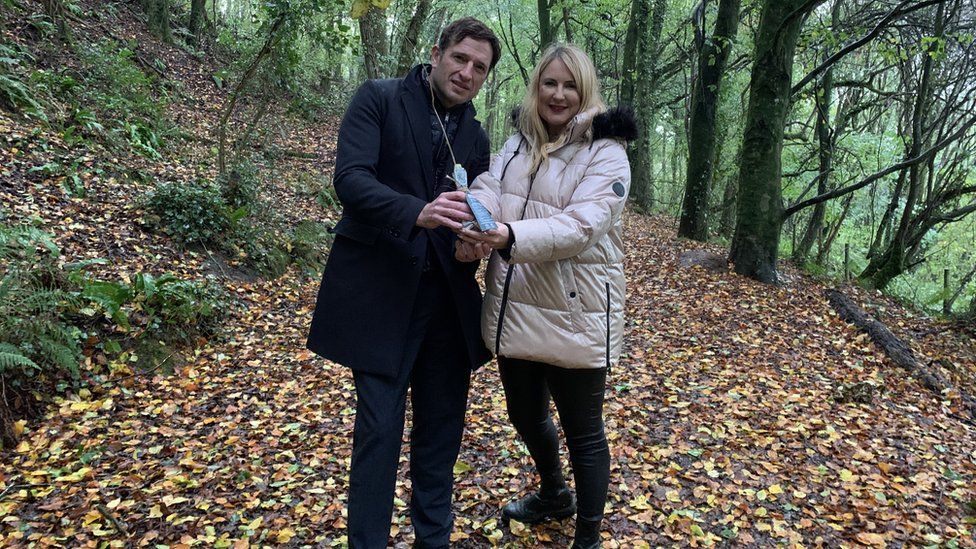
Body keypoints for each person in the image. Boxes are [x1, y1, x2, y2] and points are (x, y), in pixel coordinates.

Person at [305, 18, 501, 549]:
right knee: (379, 434)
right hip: (381, 298)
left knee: (440, 440)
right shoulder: (379, 99)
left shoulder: (477, 138)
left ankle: (431, 541)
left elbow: (474, 213)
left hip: (448, 307)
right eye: (460, 58)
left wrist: (472, 243)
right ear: (436, 54)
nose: (466, 72)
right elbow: (351, 179)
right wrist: (418, 212)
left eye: (479, 68)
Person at [456, 43, 636, 549]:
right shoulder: (518, 142)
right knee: (524, 415)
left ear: (585, 91)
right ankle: (555, 494)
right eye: (549, 84)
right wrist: (477, 217)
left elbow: (582, 226)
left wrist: (508, 237)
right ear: (536, 87)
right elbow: (490, 186)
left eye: (569, 85)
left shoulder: (607, 152)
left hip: (576, 312)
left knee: (584, 434)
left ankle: (588, 537)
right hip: (516, 307)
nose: (558, 95)